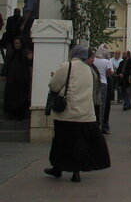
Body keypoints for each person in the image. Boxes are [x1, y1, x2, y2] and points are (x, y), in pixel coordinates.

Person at [45, 46, 111, 182]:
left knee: (61, 141)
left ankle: (57, 167)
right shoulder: (89, 70)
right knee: (79, 143)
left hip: (67, 113)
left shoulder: (67, 66)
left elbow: (54, 85)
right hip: (85, 114)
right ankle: (76, 172)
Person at [3, 36, 32, 120]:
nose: (17, 45)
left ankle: (20, 114)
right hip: (12, 80)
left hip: (22, 80)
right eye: (15, 43)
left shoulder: (25, 52)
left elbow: (29, 63)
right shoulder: (11, 53)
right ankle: (12, 113)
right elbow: (7, 65)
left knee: (21, 98)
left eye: (18, 43)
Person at [94, 45, 114, 134]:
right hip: (104, 84)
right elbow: (110, 73)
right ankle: (104, 126)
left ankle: (95, 124)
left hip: (94, 84)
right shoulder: (107, 61)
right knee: (104, 106)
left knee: (95, 104)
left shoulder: (93, 60)